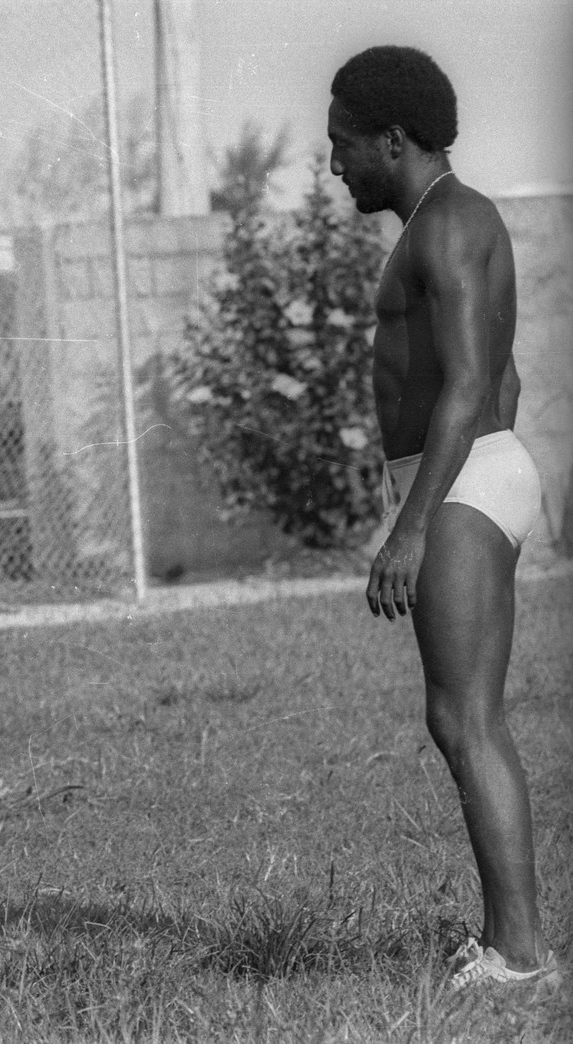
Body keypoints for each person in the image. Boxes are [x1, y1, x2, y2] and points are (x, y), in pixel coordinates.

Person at [327, 47, 558, 992]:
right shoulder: (450, 222)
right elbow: (505, 374)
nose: (336, 165)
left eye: (344, 145)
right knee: (464, 716)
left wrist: (414, 525)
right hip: (472, 470)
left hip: (456, 478)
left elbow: (470, 385)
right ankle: (514, 944)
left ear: (392, 138)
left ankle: (520, 956)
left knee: (465, 718)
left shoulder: (448, 225)